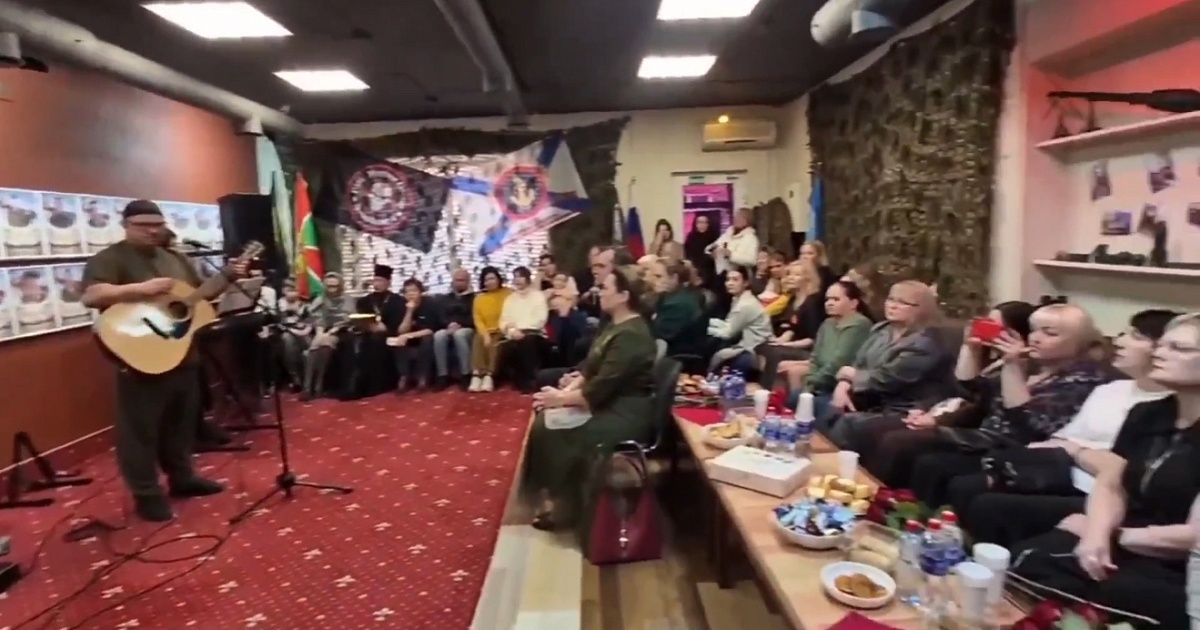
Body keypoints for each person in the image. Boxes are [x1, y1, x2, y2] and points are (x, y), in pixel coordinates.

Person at [1010, 313, 1200, 630]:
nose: (1159, 352)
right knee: (1029, 559)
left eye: (1178, 348)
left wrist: (1116, 535)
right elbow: (1113, 481)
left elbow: (1194, 536)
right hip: (1125, 533)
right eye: (1162, 345)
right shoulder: (1148, 413)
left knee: (1119, 592)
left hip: (1176, 560)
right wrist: (1097, 532)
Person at [81, 199, 245, 521]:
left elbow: (196, 297)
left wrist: (227, 276)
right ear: (126, 225)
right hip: (141, 355)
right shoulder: (110, 258)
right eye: (143, 225)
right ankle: (146, 494)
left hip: (182, 352)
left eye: (157, 225)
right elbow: (92, 295)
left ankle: (183, 478)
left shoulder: (175, 258)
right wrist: (140, 289)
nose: (152, 231)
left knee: (181, 423)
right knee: (140, 430)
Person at [961, 309, 1178, 547]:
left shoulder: (1101, 386)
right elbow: (1061, 438)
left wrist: (1076, 451)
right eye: (1033, 330)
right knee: (969, 482)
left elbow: (1118, 468)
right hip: (1059, 467)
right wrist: (972, 349)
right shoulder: (1111, 389)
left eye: (1135, 336)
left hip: (1092, 487)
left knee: (985, 501)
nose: (1119, 341)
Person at [524, 265, 657, 531]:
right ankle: (559, 499)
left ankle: (563, 507)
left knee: (549, 427)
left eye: (605, 287)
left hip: (624, 413)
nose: (599, 291)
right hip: (609, 401)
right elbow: (592, 369)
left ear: (624, 296)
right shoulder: (615, 325)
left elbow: (597, 390)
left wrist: (559, 400)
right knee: (547, 419)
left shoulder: (631, 335)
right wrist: (565, 391)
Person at [819, 280, 952, 438]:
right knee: (828, 410)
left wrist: (851, 375)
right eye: (891, 299)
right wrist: (843, 385)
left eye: (902, 302)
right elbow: (858, 362)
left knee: (849, 423)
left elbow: (887, 378)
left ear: (920, 309)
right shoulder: (881, 329)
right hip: (872, 399)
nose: (892, 306)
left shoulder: (926, 343)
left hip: (907, 409)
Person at [778, 280, 873, 405]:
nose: (829, 303)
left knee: (798, 397)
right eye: (827, 299)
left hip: (841, 380)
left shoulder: (860, 325)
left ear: (853, 303)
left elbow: (839, 362)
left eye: (836, 299)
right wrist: (811, 382)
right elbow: (815, 357)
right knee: (795, 395)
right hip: (820, 377)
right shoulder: (827, 324)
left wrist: (812, 383)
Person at [758, 260, 826, 387]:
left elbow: (812, 339)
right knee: (764, 346)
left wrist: (787, 344)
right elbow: (792, 328)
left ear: (807, 278)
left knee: (775, 353)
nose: (791, 278)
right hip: (793, 345)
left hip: (808, 350)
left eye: (797, 275)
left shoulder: (812, 304)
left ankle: (768, 390)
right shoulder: (793, 300)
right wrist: (780, 340)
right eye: (789, 274)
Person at [707, 266, 774, 372]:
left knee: (717, 354)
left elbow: (728, 333)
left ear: (745, 283)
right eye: (728, 280)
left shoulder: (745, 304)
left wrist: (705, 328)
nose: (729, 283)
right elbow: (729, 324)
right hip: (747, 344)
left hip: (755, 348)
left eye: (735, 280)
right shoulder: (738, 299)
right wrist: (708, 323)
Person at [497, 267, 549, 393]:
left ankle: (530, 381)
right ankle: (520, 381)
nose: (517, 280)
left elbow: (541, 319)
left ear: (527, 278)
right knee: (510, 345)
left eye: (520, 276)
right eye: (515, 277)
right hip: (514, 334)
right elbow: (503, 321)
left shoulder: (538, 296)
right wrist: (512, 331)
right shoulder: (510, 299)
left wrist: (521, 329)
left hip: (535, 333)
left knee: (527, 341)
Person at [303, 272, 354, 400]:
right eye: (329, 286)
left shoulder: (347, 299)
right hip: (322, 330)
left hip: (341, 331)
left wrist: (330, 332)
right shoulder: (320, 299)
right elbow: (316, 318)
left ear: (340, 286)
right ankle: (307, 388)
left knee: (325, 345)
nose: (332, 289)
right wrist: (320, 333)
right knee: (314, 348)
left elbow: (347, 319)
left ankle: (318, 386)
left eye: (335, 286)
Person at [390, 278, 440, 392]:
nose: (410, 294)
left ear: (420, 292)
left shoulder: (429, 304)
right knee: (399, 341)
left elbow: (430, 330)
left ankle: (422, 377)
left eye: (414, 291)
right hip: (409, 340)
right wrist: (409, 311)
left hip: (425, 338)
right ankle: (404, 377)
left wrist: (409, 335)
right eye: (407, 292)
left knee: (426, 339)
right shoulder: (401, 306)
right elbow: (402, 331)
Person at [647, 259, 705, 357]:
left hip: (674, 355)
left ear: (674, 278)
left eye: (658, 276)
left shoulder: (677, 304)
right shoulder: (674, 295)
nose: (652, 280)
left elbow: (655, 335)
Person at [469, 266, 512, 392]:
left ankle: (489, 375)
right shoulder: (479, 298)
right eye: (486, 280)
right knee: (478, 339)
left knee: (495, 343)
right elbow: (477, 319)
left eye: (492, 278)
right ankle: (477, 375)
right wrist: (485, 334)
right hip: (486, 330)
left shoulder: (508, 293)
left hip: (502, 330)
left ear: (498, 279)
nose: (489, 282)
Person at [432, 268, 475, 390]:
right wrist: (449, 325)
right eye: (457, 280)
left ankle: (466, 374)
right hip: (448, 327)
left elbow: (475, 318)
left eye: (462, 280)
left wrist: (458, 325)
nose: (459, 283)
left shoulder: (474, 298)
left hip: (467, 328)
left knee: (459, 335)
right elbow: (440, 316)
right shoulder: (444, 299)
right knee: (439, 335)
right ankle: (442, 375)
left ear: (468, 282)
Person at [276, 278, 313, 390]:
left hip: (305, 332)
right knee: (288, 341)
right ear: (283, 291)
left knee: (309, 344)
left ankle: (309, 380)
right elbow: (280, 324)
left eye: (294, 290)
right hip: (287, 333)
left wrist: (304, 330)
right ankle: (295, 379)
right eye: (289, 290)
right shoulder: (279, 305)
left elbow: (310, 322)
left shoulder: (305, 304)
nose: (292, 293)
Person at [706, 207, 759, 274]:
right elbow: (711, 247)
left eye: (739, 217)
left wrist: (730, 255)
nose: (736, 219)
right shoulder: (728, 234)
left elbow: (752, 261)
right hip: (720, 274)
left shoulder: (751, 238)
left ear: (747, 221)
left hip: (738, 276)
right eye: (736, 217)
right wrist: (712, 251)